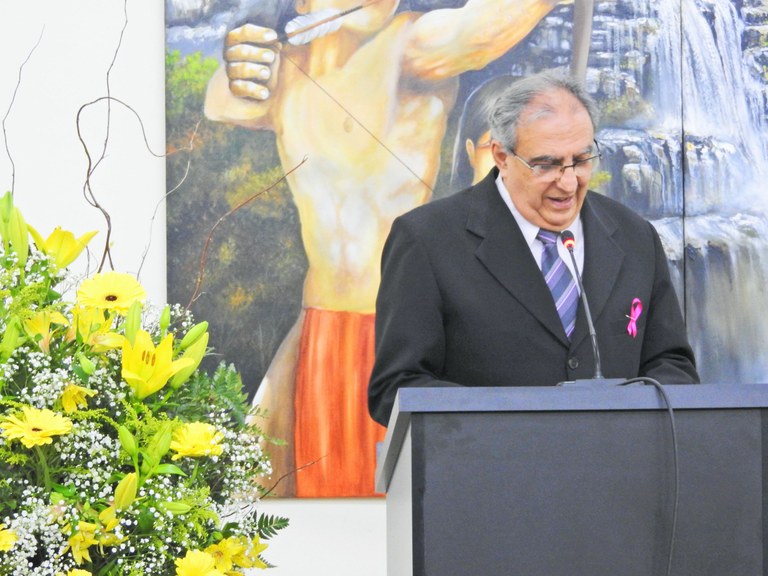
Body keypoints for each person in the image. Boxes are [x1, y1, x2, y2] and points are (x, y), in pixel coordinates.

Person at [205, 0, 569, 496]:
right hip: (323, 337)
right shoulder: (292, 66)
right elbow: (222, 103)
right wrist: (238, 60)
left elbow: (481, 30)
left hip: (398, 337)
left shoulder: (411, 45)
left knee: (403, 510)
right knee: (327, 510)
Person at [368, 70, 700, 426]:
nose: (568, 182)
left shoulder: (635, 237)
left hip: (618, 457)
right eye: (547, 164)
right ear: (501, 156)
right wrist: (509, 425)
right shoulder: (426, 239)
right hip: (487, 457)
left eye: (582, 160)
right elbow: (398, 387)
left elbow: (672, 365)